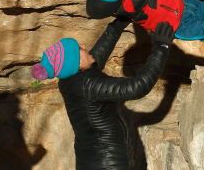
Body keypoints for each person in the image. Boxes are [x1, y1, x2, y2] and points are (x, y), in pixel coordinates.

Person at [30, 18, 174, 169]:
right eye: (80, 48)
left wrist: (119, 23)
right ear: (77, 62)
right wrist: (161, 48)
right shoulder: (88, 84)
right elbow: (137, 87)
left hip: (92, 161)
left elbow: (97, 56)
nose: (84, 46)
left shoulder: (69, 79)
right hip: (107, 165)